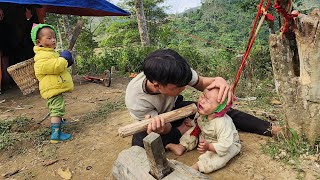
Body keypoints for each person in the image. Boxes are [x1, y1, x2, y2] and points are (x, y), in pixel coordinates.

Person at [125, 49, 281, 148]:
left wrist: (217, 80)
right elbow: (162, 128)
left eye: (185, 83)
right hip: (153, 122)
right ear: (157, 85)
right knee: (141, 142)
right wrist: (163, 128)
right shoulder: (136, 100)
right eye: (178, 87)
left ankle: (270, 129)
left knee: (214, 110)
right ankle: (182, 131)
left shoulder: (178, 73)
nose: (184, 88)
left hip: (176, 109)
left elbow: (201, 82)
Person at [166, 88, 241, 173]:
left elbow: (225, 145)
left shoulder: (222, 123)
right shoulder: (202, 113)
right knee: (194, 130)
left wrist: (209, 147)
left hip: (225, 144)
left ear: (220, 108)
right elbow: (199, 123)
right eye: (202, 96)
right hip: (206, 138)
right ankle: (182, 146)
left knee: (223, 155)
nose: (202, 101)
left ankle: (199, 165)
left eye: (208, 101)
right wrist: (192, 123)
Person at [31, 23, 74, 143]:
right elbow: (55, 66)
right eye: (49, 38)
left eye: (53, 37)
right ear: (39, 42)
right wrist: (63, 59)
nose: (53, 40)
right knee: (57, 109)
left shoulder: (50, 53)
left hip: (54, 87)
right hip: (51, 89)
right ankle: (56, 135)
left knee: (57, 108)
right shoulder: (40, 57)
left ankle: (59, 123)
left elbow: (59, 67)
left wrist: (66, 61)